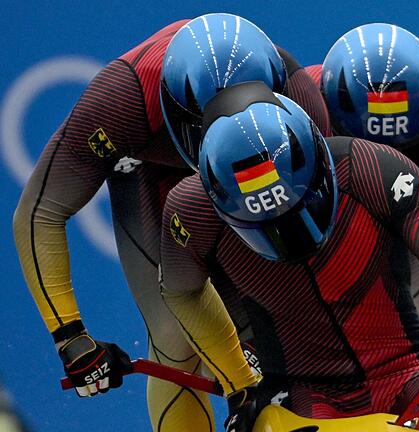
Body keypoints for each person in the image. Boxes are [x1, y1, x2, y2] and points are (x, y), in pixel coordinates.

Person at [12, 13, 329, 431]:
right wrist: (70, 336)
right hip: (148, 174)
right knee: (175, 337)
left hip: (253, 178)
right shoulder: (121, 100)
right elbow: (39, 213)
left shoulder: (299, 101)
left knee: (281, 327)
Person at [158, 81, 419, 432]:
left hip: (406, 376)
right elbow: (183, 292)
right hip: (302, 396)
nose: (286, 233)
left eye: (297, 208)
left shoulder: (372, 169)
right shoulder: (192, 212)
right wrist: (240, 385)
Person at [303, 23, 419, 350]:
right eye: (364, 149)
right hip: (326, 236)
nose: (382, 170)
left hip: (406, 224)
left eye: (400, 150)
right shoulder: (301, 109)